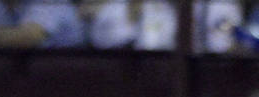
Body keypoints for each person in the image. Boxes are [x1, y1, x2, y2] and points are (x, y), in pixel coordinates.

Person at [82, 0, 242, 51]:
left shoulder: (219, 7)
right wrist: (132, 17)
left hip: (198, 85)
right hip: (133, 87)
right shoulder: (120, 7)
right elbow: (101, 46)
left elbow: (223, 48)